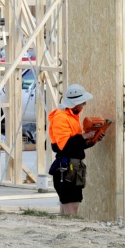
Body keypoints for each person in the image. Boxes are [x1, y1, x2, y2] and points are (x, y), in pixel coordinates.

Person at [48, 83, 106, 216]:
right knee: (71, 204)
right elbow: (65, 146)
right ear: (75, 103)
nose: (84, 104)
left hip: (72, 167)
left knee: (67, 205)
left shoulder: (72, 117)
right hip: (66, 168)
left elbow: (77, 145)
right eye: (82, 102)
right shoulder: (61, 118)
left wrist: (93, 139)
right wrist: (85, 136)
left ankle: (65, 231)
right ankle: (70, 233)